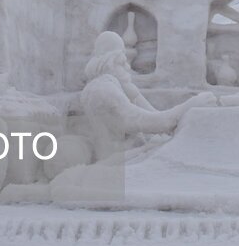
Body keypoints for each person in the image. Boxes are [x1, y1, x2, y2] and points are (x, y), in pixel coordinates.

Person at [81, 31, 216, 159]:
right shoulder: (104, 89)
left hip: (125, 153)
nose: (127, 66)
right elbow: (146, 121)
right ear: (114, 59)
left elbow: (155, 116)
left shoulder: (109, 85)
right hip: (119, 159)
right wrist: (189, 105)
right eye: (122, 60)